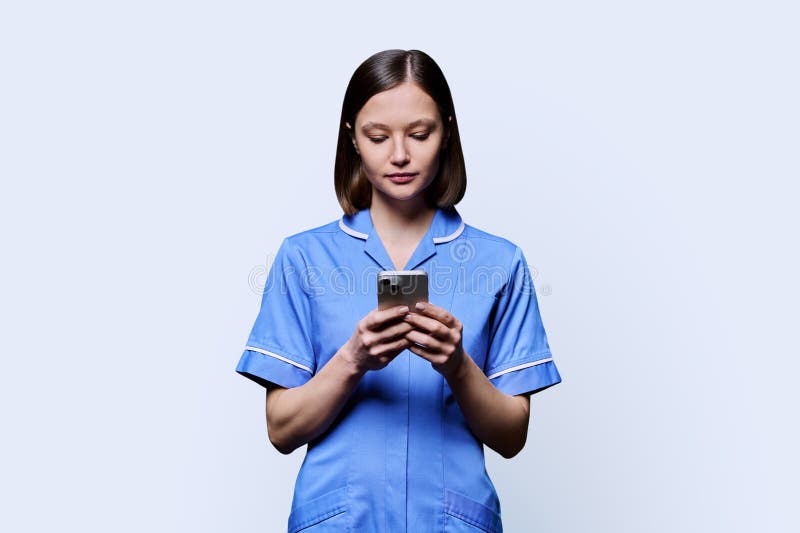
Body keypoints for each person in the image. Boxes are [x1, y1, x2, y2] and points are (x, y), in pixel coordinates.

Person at [235, 49, 562, 533]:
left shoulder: (500, 264)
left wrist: (457, 365)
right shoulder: (304, 259)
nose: (400, 154)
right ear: (353, 138)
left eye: (419, 133)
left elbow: (512, 436)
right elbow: (280, 430)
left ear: (446, 131)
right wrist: (352, 360)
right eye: (378, 136)